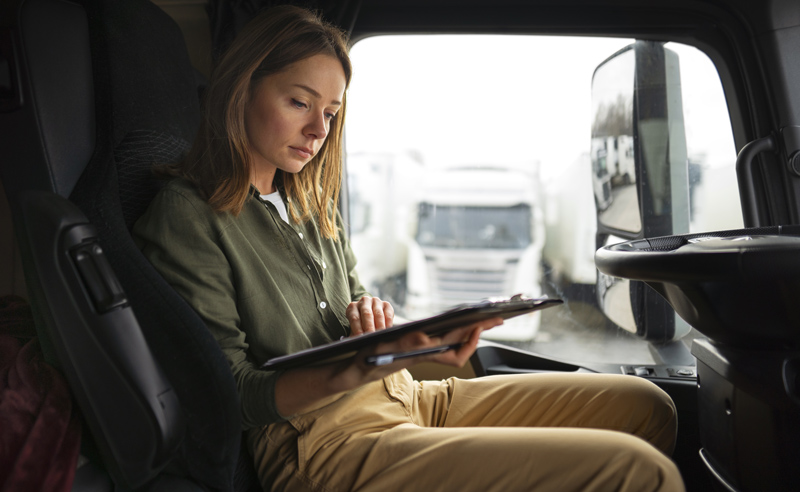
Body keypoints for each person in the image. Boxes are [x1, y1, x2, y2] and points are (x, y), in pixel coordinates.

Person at [133, 5, 685, 491]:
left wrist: (409, 337)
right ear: (242, 89)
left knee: (648, 407)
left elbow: (357, 314)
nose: (319, 129)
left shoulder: (308, 204)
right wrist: (367, 361)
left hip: (407, 397)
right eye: (300, 102)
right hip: (324, 441)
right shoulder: (189, 215)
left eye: (331, 113)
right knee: (639, 471)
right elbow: (229, 394)